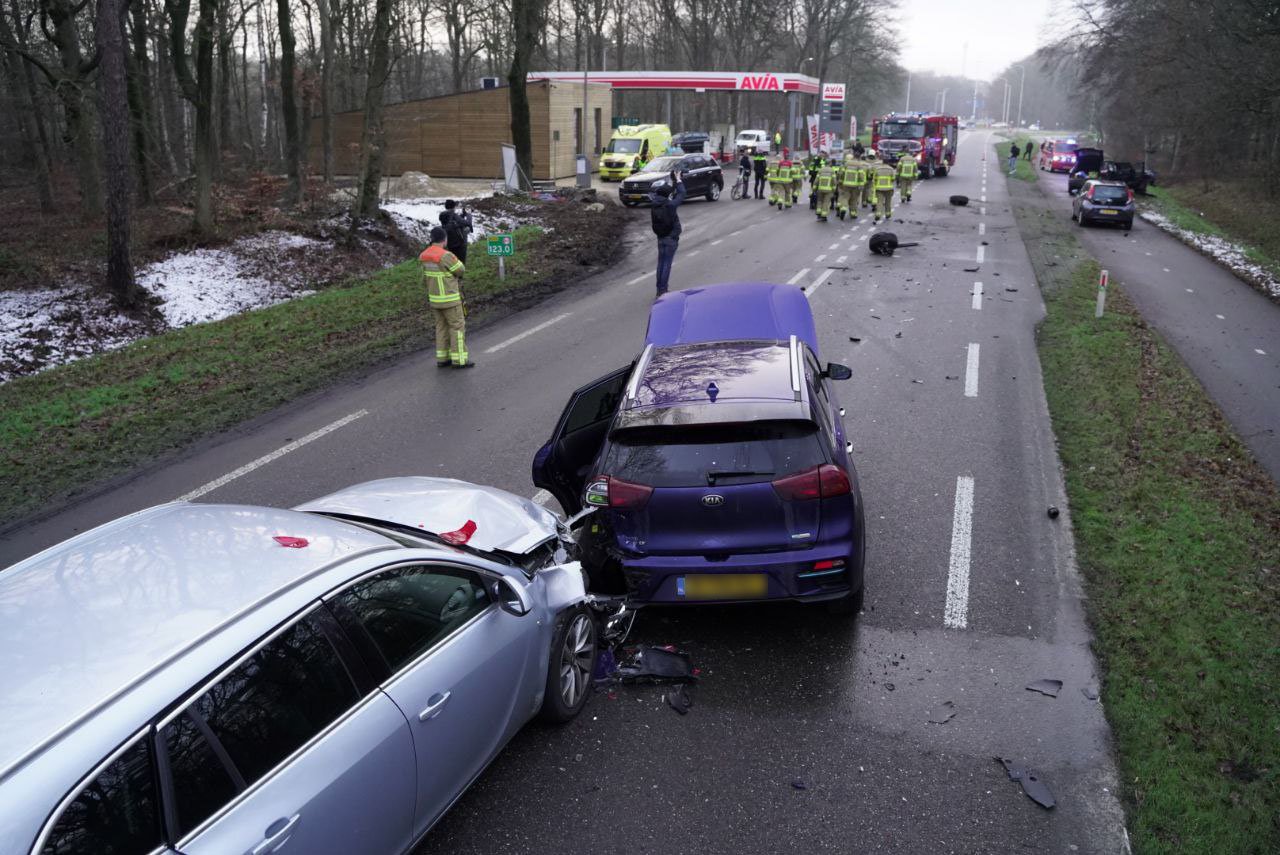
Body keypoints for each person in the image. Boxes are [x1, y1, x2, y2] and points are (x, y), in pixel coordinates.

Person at [419, 226, 473, 369]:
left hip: (435, 300)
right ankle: (460, 360)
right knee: (457, 328)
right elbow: (461, 270)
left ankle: (443, 358)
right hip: (450, 299)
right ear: (444, 239)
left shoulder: (424, 256)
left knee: (441, 328)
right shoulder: (446, 255)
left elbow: (423, 279)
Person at [650, 170, 686, 297]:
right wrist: (679, 180)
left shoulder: (654, 204)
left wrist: (675, 180)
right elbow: (682, 194)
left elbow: (673, 192)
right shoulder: (669, 205)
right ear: (667, 196)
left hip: (660, 237)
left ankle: (659, 288)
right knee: (667, 264)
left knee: (661, 264)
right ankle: (662, 291)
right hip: (671, 237)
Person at [871, 154, 897, 223]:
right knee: (888, 202)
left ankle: (878, 213)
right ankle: (888, 214)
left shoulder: (877, 169)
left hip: (879, 188)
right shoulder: (891, 169)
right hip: (889, 189)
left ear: (882, 162)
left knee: (879, 201)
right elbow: (893, 179)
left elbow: (874, 179)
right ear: (888, 162)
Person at [838, 153, 862, 220]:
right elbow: (861, 175)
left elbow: (841, 174)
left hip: (846, 185)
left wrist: (841, 181)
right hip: (855, 185)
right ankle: (853, 213)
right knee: (853, 199)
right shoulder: (858, 164)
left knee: (845, 197)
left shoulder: (846, 164)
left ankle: (843, 208)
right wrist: (861, 184)